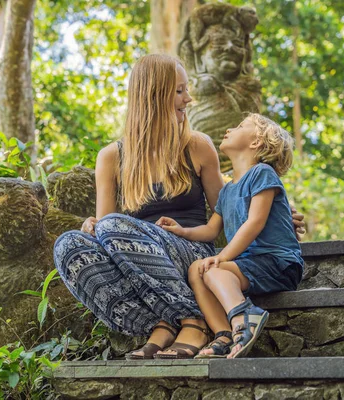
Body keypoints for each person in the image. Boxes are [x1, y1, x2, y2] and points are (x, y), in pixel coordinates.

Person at [53, 54, 305, 360]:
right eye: (179, 90)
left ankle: (194, 321)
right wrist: (92, 227)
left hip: (191, 252)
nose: (188, 98)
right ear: (153, 95)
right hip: (136, 258)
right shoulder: (111, 158)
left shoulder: (198, 146)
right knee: (69, 245)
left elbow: (228, 207)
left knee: (112, 227)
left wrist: (273, 217)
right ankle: (162, 321)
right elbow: (106, 231)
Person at [156, 114, 303, 359]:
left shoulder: (262, 173)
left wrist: (222, 257)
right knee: (196, 269)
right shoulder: (227, 191)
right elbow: (211, 230)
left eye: (240, 126)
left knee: (213, 269)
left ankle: (243, 315)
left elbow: (255, 222)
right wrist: (180, 230)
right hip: (250, 264)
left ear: (256, 142)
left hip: (278, 262)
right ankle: (223, 334)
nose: (229, 128)